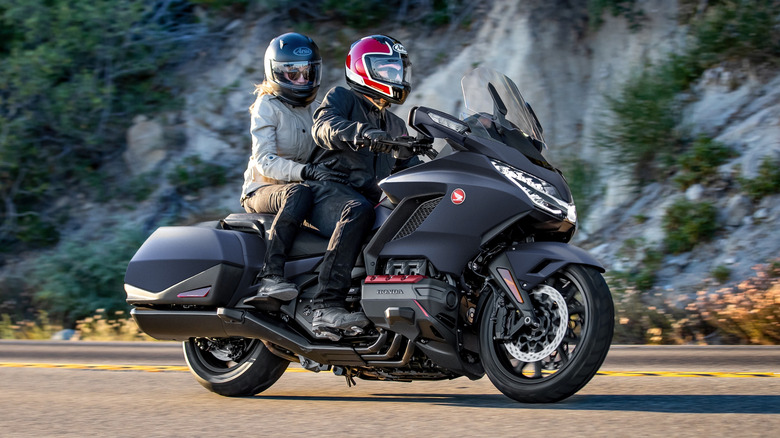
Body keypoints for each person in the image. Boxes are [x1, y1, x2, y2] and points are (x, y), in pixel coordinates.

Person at [307, 34, 418, 340]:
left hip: (368, 197)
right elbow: (324, 127)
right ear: (362, 68)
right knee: (358, 211)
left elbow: (411, 169)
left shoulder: (394, 124)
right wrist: (363, 133)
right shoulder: (342, 98)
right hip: (327, 189)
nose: (396, 76)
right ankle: (326, 306)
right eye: (388, 69)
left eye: (398, 70)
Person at [240, 32, 347, 307]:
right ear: (275, 72)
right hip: (262, 189)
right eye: (293, 74)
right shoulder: (267, 107)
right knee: (298, 194)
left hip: (302, 185)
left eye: (307, 73)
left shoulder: (313, 108)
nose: (302, 80)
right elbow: (265, 161)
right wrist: (307, 172)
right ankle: (270, 275)